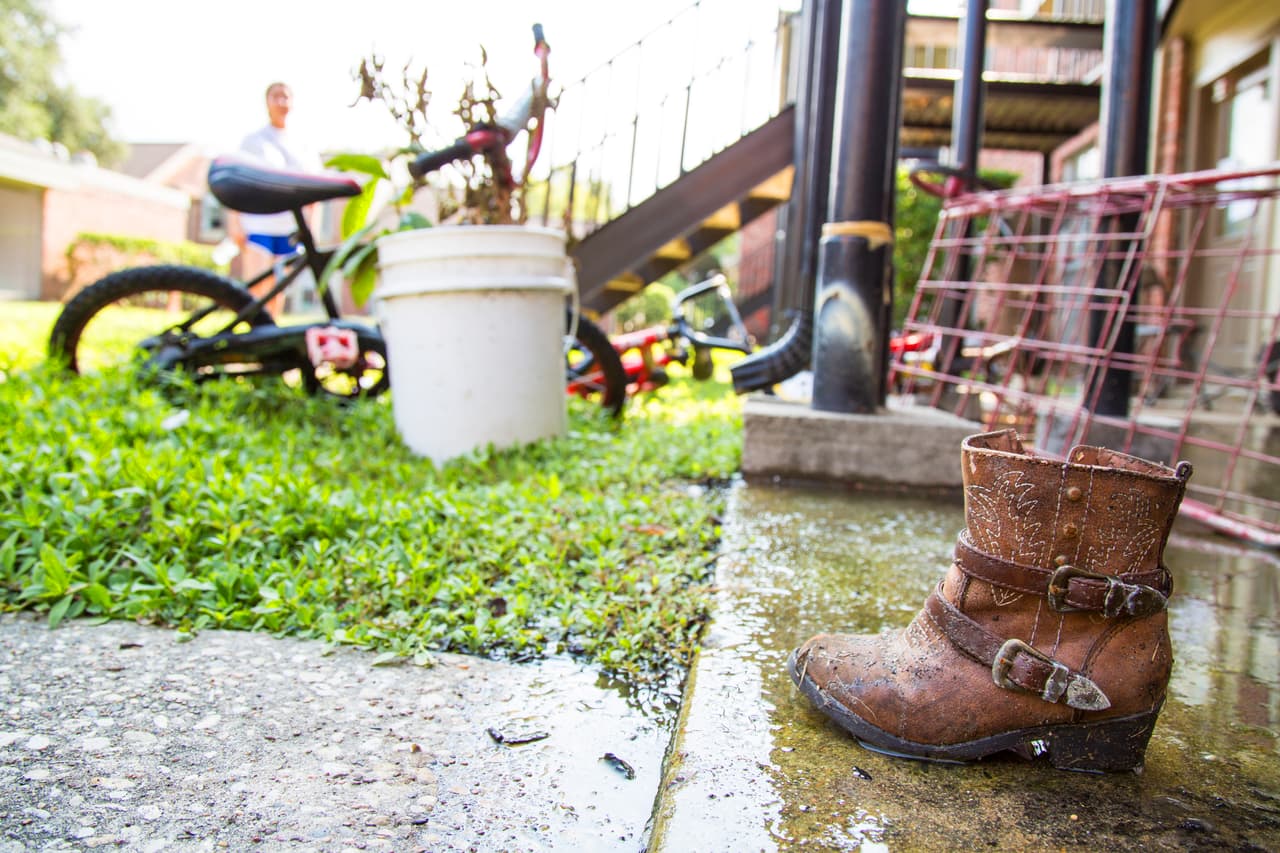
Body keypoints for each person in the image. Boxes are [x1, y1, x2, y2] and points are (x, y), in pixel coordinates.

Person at [224, 82, 321, 316]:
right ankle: (250, 336)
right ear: (267, 102)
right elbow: (238, 181)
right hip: (258, 225)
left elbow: (315, 190)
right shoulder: (254, 141)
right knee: (257, 287)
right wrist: (234, 222)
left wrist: (312, 228)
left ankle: (269, 341)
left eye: (286, 97)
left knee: (278, 290)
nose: (281, 102)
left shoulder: (303, 145)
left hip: (289, 228)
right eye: (276, 97)